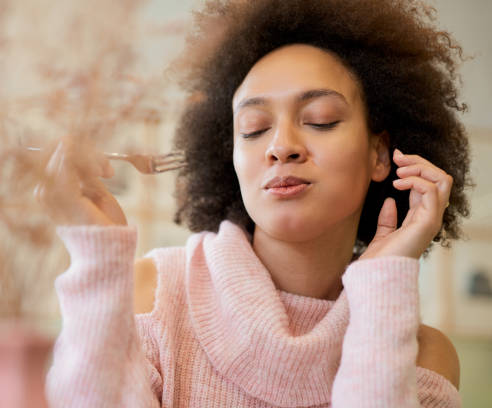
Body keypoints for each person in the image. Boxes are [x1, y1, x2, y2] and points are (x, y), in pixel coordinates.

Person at [40, 0, 472, 406]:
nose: (281, 146)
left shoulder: (423, 356)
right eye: (253, 128)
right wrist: (97, 258)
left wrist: (382, 282)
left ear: (379, 154)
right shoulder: (150, 294)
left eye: (320, 120)